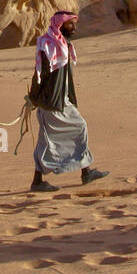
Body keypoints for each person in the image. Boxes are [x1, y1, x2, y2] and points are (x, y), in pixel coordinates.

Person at [27, 10, 108, 192]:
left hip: (61, 100)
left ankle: (83, 172)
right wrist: (34, 97)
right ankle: (43, 180)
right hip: (51, 102)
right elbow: (40, 74)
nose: (74, 28)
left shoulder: (64, 45)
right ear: (60, 25)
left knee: (58, 135)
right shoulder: (48, 45)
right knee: (64, 133)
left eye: (74, 24)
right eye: (70, 24)